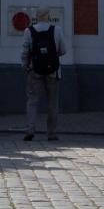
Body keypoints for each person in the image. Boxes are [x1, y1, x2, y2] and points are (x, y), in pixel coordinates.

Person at [21, 9, 65, 143]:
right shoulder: (57, 30)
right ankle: (52, 133)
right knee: (53, 103)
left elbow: (25, 51)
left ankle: (30, 130)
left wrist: (26, 66)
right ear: (48, 17)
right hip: (53, 72)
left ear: (37, 17)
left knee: (32, 101)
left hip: (34, 70)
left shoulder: (29, 31)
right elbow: (63, 50)